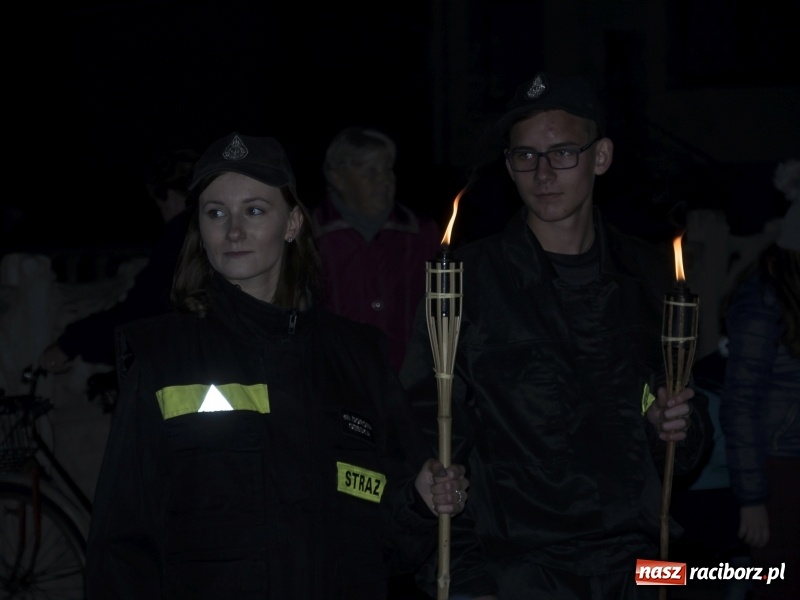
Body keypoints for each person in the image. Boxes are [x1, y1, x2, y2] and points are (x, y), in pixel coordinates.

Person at [84, 132, 469, 600]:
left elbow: (384, 537)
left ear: (292, 223)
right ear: (199, 230)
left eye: (254, 210)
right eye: (215, 212)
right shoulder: (163, 357)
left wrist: (421, 503)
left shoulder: (358, 356)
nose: (233, 231)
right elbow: (121, 542)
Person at [399, 72, 714, 599]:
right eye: (526, 156)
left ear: (601, 156)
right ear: (509, 166)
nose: (543, 173)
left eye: (563, 152)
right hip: (517, 570)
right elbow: (426, 422)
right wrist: (463, 576)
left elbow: (682, 421)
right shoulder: (467, 282)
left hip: (635, 565)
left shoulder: (649, 277)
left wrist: (675, 426)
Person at [38, 148, 198, 376]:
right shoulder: (218, 234)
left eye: (157, 204)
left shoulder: (181, 240)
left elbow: (141, 314)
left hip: (190, 376)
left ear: (168, 195)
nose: (161, 214)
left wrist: (69, 344)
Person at [719, 158, 800, 600]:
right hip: (779, 466)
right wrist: (753, 497)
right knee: (778, 582)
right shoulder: (763, 300)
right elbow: (741, 400)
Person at [313, 126, 442, 372]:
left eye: (387, 170)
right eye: (369, 172)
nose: (383, 181)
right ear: (337, 178)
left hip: (412, 386)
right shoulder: (309, 238)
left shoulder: (422, 233)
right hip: (335, 385)